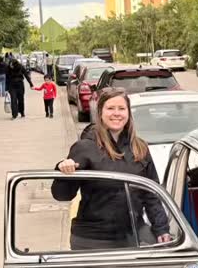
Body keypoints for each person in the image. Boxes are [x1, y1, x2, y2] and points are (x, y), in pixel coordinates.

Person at [51, 86, 173, 250]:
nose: (117, 113)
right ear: (100, 112)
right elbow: (62, 195)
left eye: (121, 108)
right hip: (92, 239)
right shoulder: (85, 147)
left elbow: (151, 194)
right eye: (110, 108)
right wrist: (62, 170)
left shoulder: (140, 148)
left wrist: (161, 228)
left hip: (133, 235)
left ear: (128, 113)